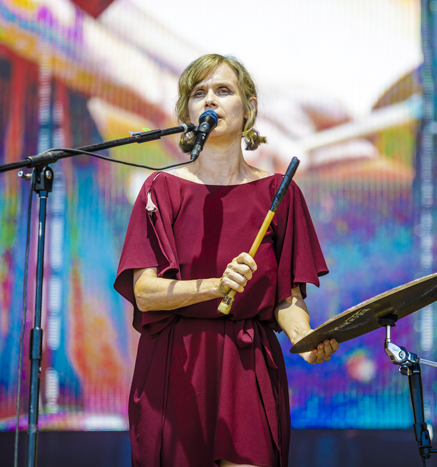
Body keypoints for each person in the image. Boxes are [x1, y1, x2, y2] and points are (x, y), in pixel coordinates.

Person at [114, 54, 339, 467]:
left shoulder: (281, 192)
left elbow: (287, 299)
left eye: (223, 90)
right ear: (186, 113)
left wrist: (303, 341)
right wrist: (217, 286)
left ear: (248, 107)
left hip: (248, 366)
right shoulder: (161, 188)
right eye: (198, 93)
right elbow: (144, 293)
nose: (210, 101)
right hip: (175, 366)